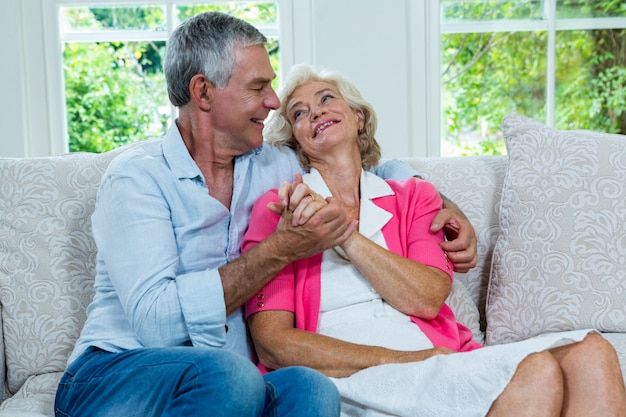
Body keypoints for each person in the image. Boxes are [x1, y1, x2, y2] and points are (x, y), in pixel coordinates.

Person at [54, 12, 478, 417]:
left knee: (310, 388)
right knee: (231, 374)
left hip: (227, 384)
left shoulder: (273, 166)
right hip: (115, 373)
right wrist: (278, 250)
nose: (273, 102)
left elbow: (357, 164)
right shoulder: (136, 180)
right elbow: (157, 324)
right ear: (203, 92)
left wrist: (441, 200)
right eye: (259, 88)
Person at [243, 64, 626, 417]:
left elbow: (426, 298)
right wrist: (404, 360)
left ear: (358, 116)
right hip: (351, 376)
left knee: (592, 352)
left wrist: (345, 235)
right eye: (298, 112)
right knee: (538, 371)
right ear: (296, 142)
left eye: (326, 98)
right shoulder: (279, 209)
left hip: (434, 363)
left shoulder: (414, 197)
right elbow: (275, 344)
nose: (315, 112)